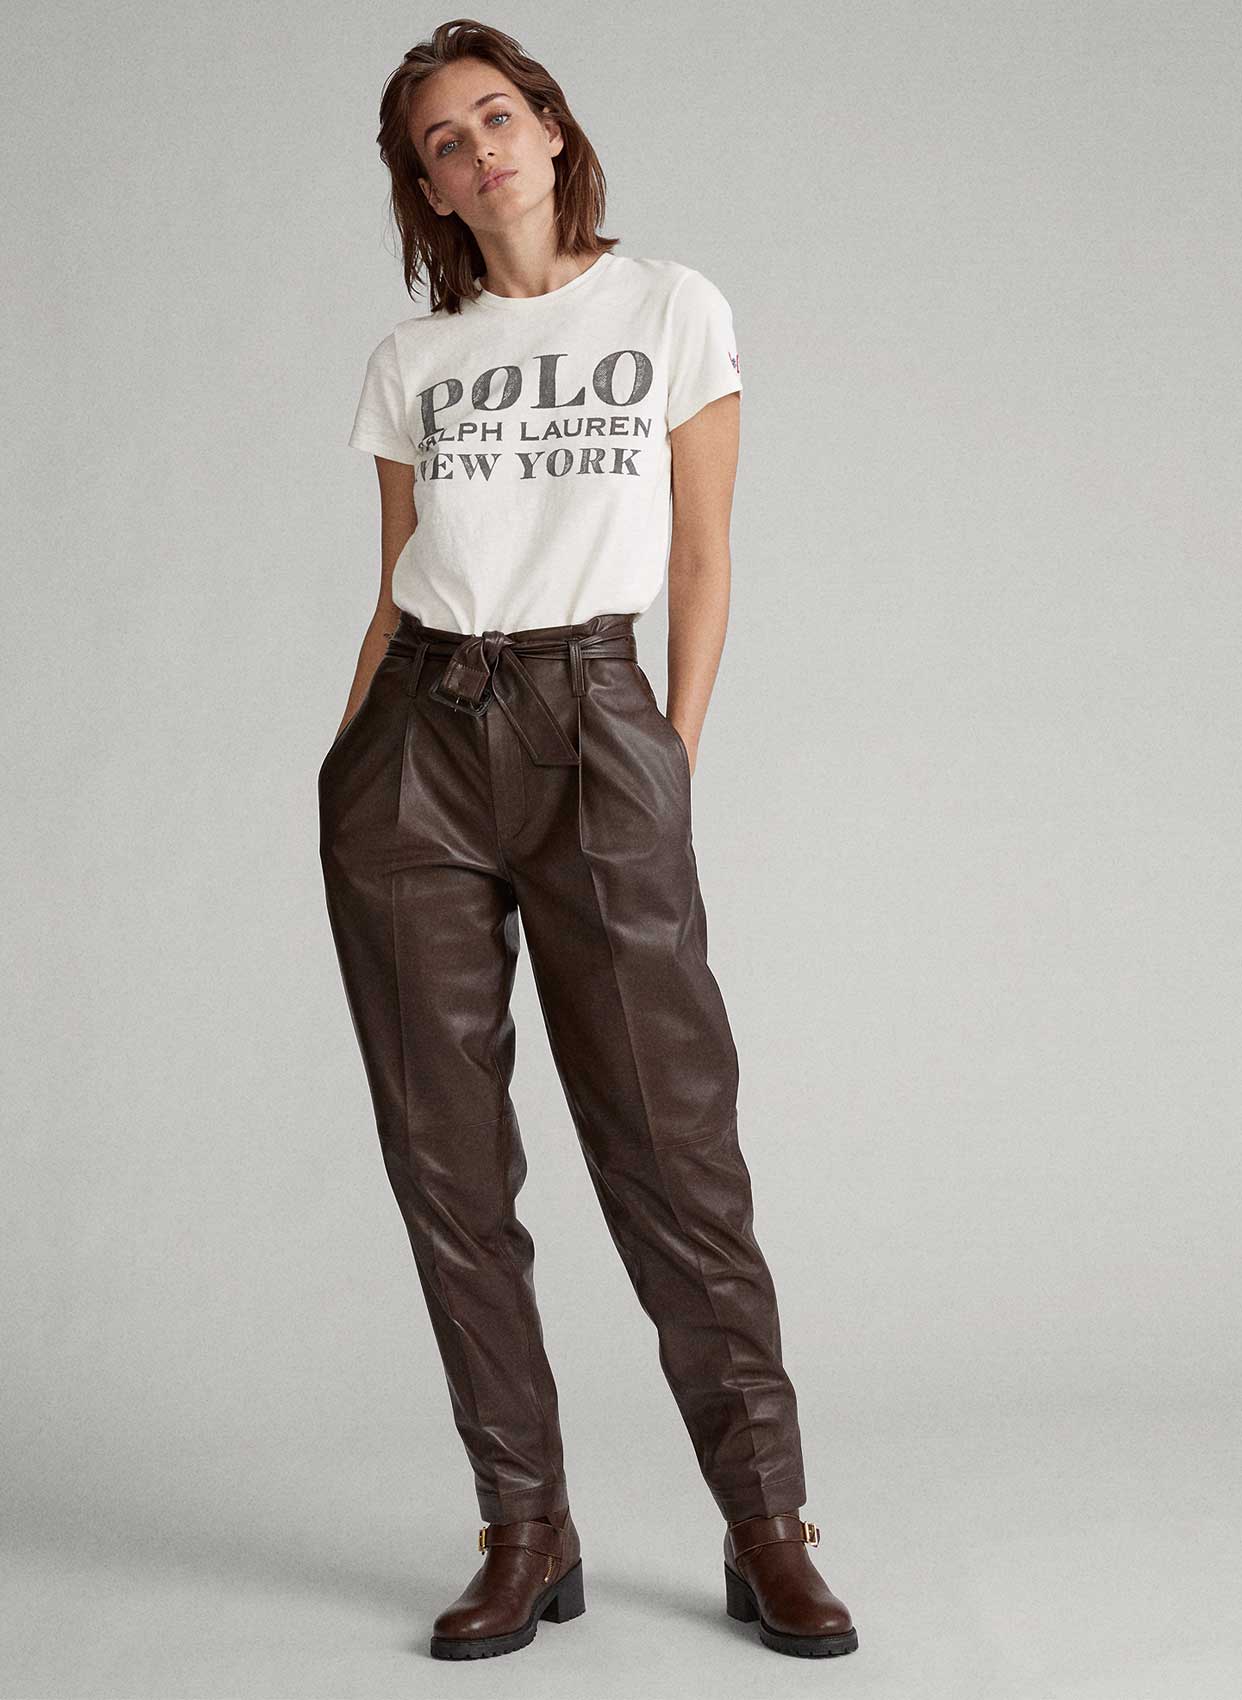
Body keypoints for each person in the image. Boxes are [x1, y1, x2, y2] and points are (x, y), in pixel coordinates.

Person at [319, 18, 858, 1663]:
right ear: (427, 188)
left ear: (551, 132)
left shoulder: (669, 308)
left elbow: (700, 557)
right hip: (417, 739)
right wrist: (349, 759)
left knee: (672, 1149)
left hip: (595, 720)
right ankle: (523, 1526)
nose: (478, 150)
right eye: (442, 140)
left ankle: (766, 1524)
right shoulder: (415, 359)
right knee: (446, 1165)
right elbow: (394, 577)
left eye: (498, 116)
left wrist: (666, 760)